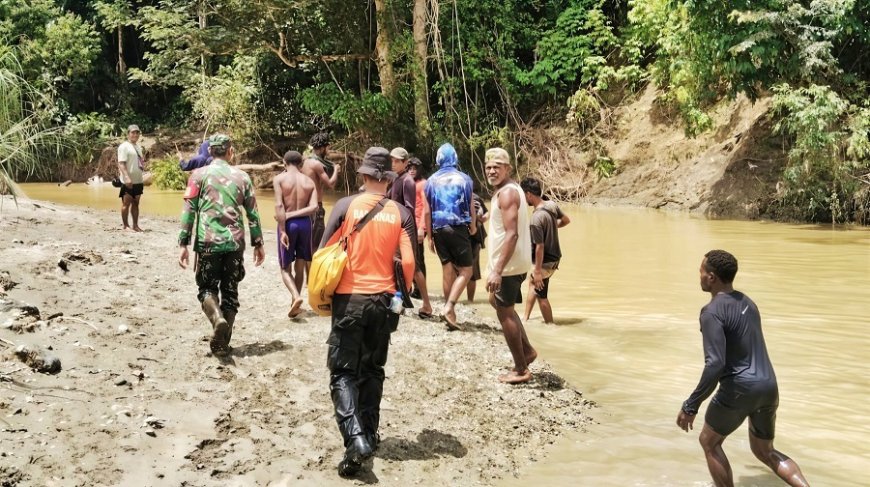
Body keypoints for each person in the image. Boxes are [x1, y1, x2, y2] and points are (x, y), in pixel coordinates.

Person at [320, 147, 416, 477]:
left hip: (349, 300)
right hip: (384, 302)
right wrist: (398, 298)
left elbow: (324, 252)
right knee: (373, 369)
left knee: (343, 372)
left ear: (363, 177)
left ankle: (356, 438)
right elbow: (411, 264)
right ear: (388, 179)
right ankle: (371, 434)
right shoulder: (402, 213)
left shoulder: (345, 206)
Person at [677, 250, 810, 487]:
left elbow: (715, 363)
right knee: (764, 450)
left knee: (709, 442)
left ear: (711, 277)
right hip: (769, 386)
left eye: (700, 271)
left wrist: (691, 404)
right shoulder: (748, 302)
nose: (698, 275)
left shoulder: (711, 312)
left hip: (739, 387)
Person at [177, 134, 265, 355]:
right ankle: (222, 343)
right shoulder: (243, 177)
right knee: (231, 292)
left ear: (209, 152)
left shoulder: (198, 175)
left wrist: (183, 243)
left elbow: (189, 210)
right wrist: (258, 242)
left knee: (206, 288)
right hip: (234, 244)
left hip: (207, 243)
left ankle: (217, 319)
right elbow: (253, 213)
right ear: (230, 151)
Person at [484, 147, 535, 384]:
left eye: (497, 166)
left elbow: (512, 234)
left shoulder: (507, 194)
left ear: (508, 168)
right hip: (512, 263)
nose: (492, 171)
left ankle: (521, 368)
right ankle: (526, 351)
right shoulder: (507, 191)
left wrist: (497, 270)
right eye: (488, 167)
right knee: (498, 303)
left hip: (508, 265)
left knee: (504, 312)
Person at [424, 143, 477, 329]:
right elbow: (471, 205)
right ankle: (450, 307)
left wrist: (429, 236)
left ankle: (450, 314)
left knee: (447, 270)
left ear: (439, 159)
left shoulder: (430, 181)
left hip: (438, 229)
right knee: (466, 271)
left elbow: (427, 211)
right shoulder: (465, 180)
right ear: (455, 158)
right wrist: (474, 225)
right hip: (458, 227)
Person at [520, 177, 570, 323]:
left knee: (541, 295)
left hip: (545, 261)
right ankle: (525, 319)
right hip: (555, 258)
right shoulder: (551, 205)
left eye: (523, 195)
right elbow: (566, 220)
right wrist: (552, 227)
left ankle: (550, 326)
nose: (523, 199)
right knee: (533, 284)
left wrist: (537, 271)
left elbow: (539, 247)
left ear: (529, 194)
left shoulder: (536, 219)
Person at [274, 150, 317, 318]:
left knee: (285, 268)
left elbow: (279, 206)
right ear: (301, 164)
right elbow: (314, 207)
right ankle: (295, 303)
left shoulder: (279, 179)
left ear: (284, 163)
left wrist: (283, 227)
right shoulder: (309, 181)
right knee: (300, 263)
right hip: (306, 224)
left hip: (288, 224)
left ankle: (296, 297)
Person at [390, 149, 433, 318]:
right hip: (397, 228)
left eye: (397, 161)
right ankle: (398, 304)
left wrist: (407, 231)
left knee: (414, 268)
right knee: (397, 265)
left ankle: (427, 305)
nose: (393, 163)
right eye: (392, 160)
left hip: (406, 229)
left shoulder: (407, 181)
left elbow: (409, 208)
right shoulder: (397, 179)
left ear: (405, 162)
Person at [302, 132, 341, 250]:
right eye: (328, 147)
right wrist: (336, 170)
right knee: (317, 244)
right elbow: (330, 185)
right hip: (316, 207)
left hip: (305, 205)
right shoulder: (317, 164)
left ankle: (308, 267)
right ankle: (314, 267)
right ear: (323, 147)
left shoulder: (306, 161)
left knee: (308, 242)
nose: (329, 150)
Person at [117, 124, 146, 231]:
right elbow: (121, 163)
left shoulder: (138, 147)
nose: (135, 134)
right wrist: (126, 177)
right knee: (126, 203)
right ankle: (125, 226)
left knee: (136, 203)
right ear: (128, 134)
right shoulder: (124, 146)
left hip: (138, 180)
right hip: (128, 180)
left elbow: (139, 162)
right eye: (133, 132)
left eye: (137, 132)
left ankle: (135, 225)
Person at [466, 183, 489, 302]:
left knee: (471, 272)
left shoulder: (475, 198)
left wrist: (481, 219)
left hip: (474, 238)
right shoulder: (457, 196)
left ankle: (469, 301)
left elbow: (486, 213)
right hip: (462, 237)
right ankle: (458, 300)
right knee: (465, 270)